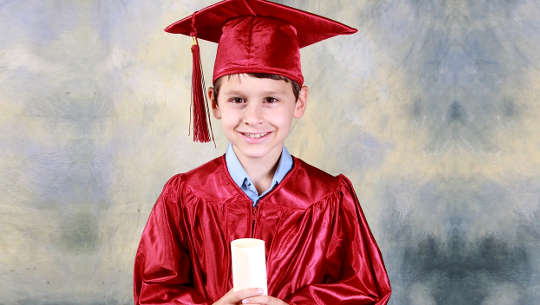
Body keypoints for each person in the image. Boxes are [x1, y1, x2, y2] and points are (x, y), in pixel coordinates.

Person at [133, 0, 392, 304]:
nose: (253, 117)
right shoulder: (184, 196)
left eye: (271, 99)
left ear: (299, 101)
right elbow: (155, 291)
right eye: (237, 100)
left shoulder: (329, 198)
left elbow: (364, 290)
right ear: (214, 102)